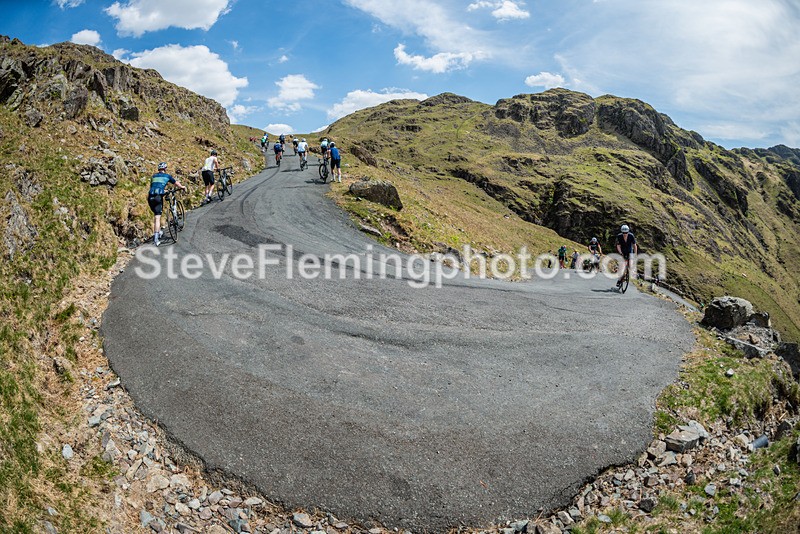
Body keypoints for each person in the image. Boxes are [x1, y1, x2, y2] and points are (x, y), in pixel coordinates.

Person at [147, 162, 186, 247]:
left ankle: (159, 231)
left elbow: (153, 186)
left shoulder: (153, 176)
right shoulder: (167, 176)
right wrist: (182, 187)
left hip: (150, 197)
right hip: (158, 197)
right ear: (165, 169)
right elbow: (176, 183)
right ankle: (156, 239)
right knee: (157, 217)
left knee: (155, 215)